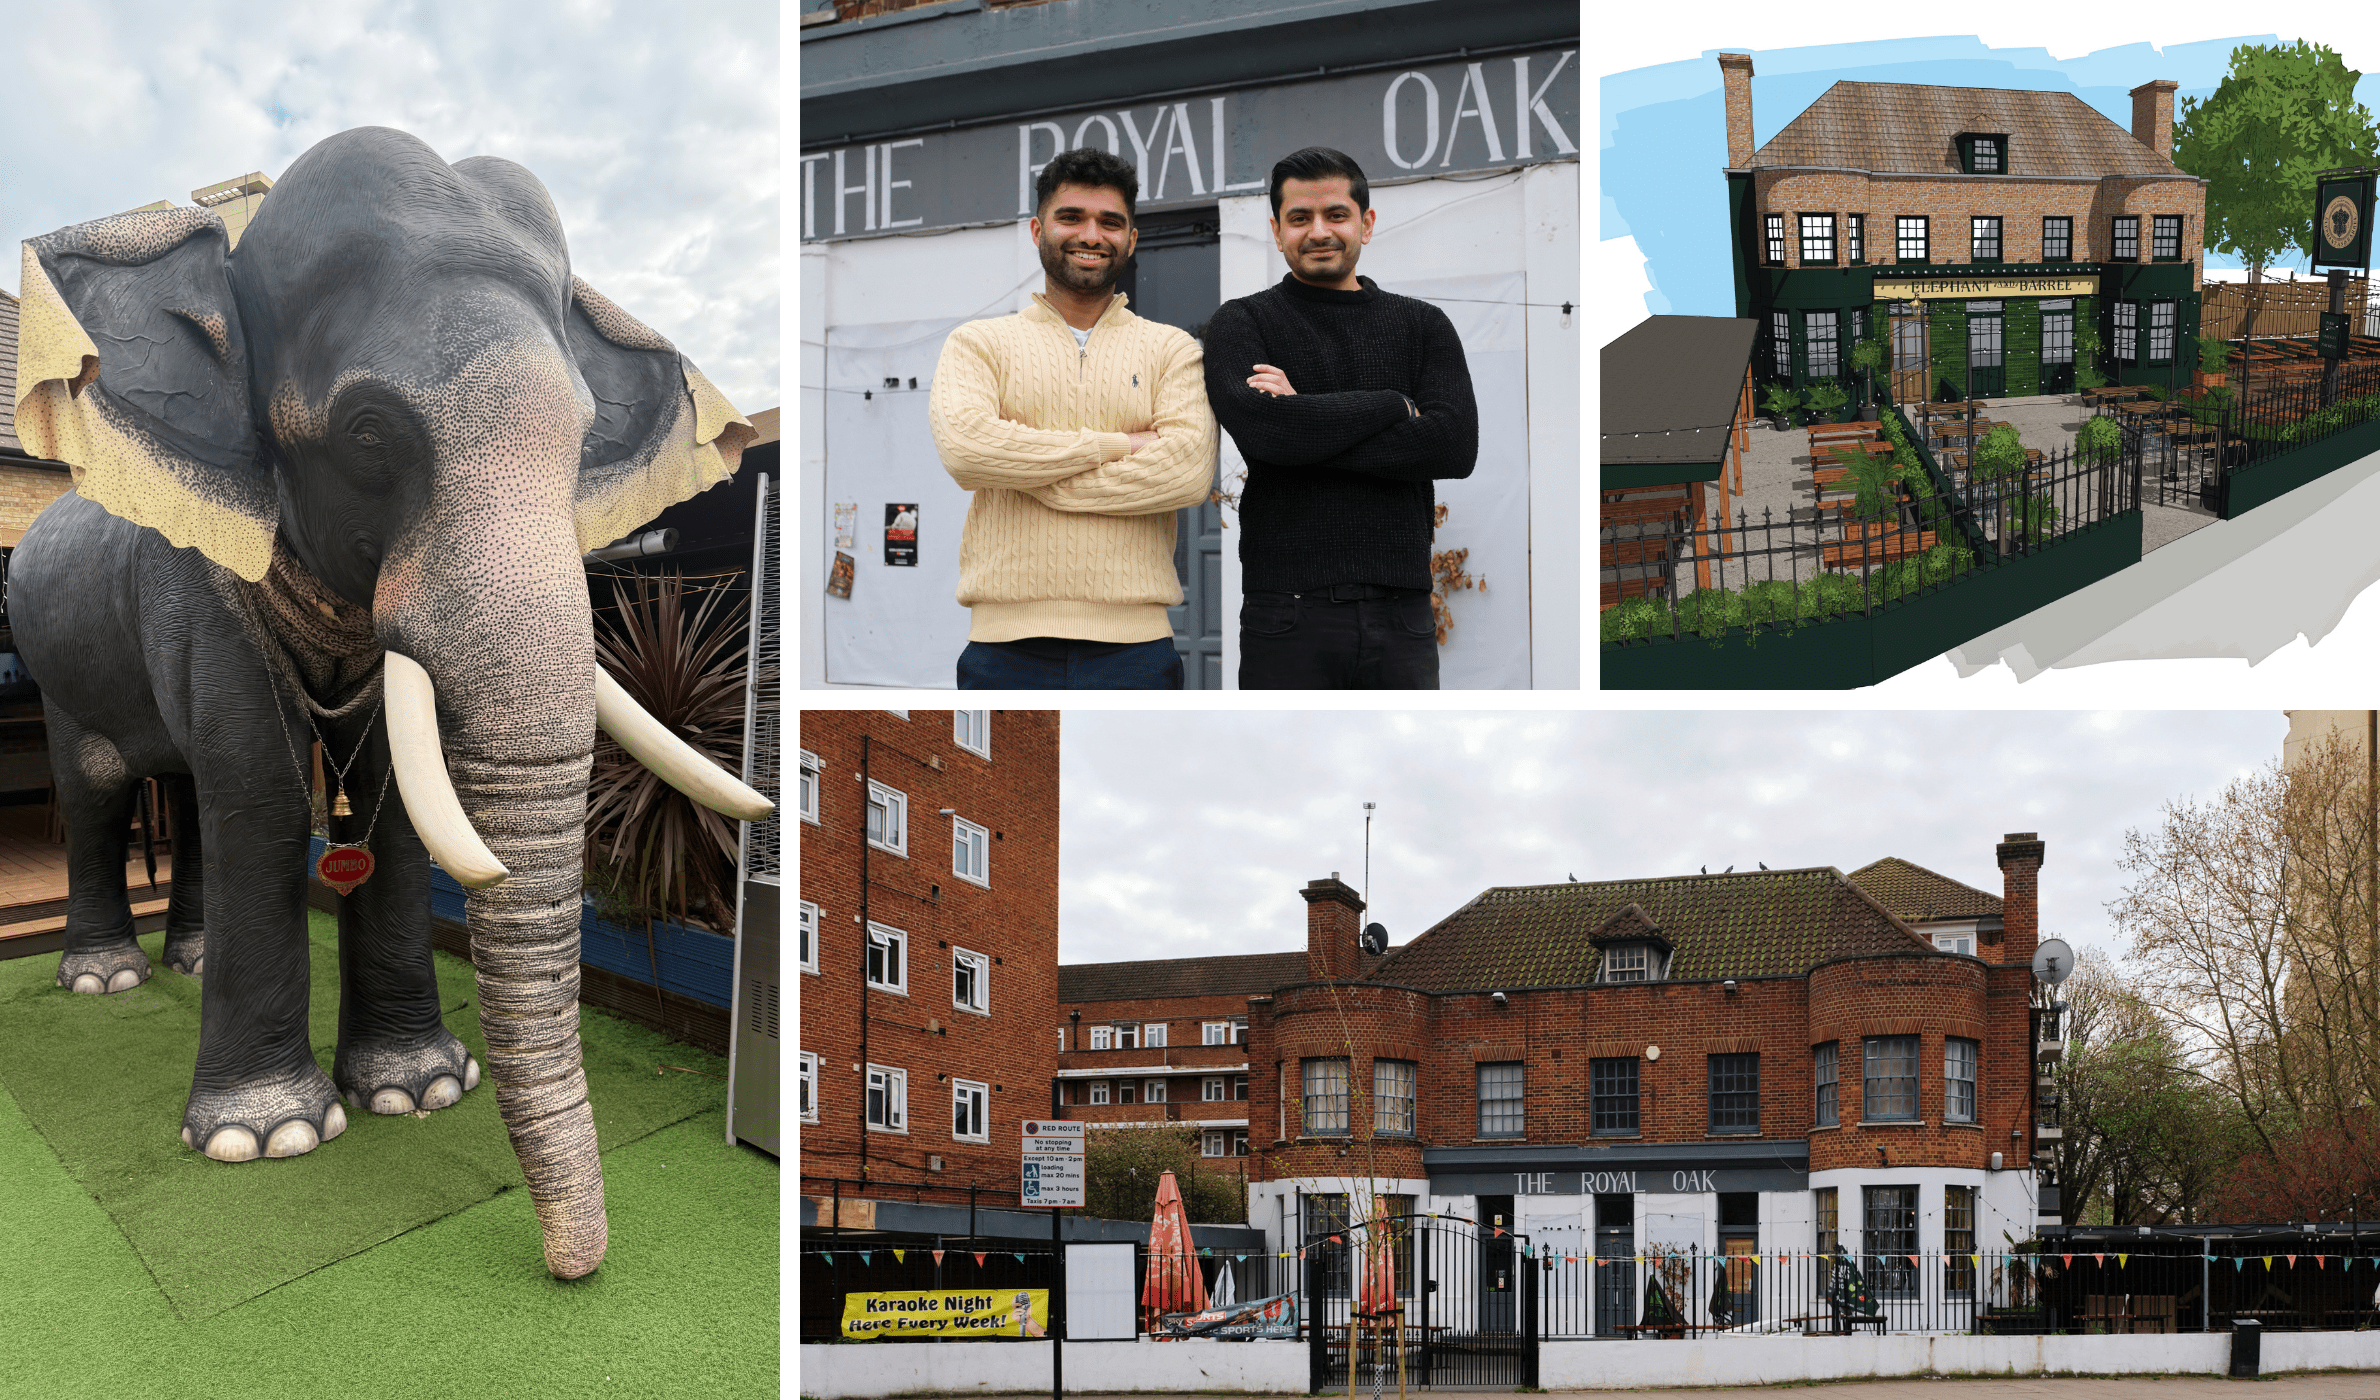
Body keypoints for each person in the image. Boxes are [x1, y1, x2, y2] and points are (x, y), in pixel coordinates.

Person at [928, 147, 1217, 689]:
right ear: (1038, 230)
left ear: (1131, 239)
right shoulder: (978, 343)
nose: (1091, 235)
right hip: (1002, 650)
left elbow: (1186, 473)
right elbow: (968, 451)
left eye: (1110, 222)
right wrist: (1114, 445)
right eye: (1071, 218)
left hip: (1137, 652)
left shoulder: (1172, 349)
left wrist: (1031, 476)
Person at [1203, 146, 1478, 689]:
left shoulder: (1423, 326)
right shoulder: (1242, 322)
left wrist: (1304, 415)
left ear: (1366, 223)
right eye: (1299, 218)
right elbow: (1267, 434)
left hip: (1402, 613)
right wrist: (1393, 404)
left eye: (1336, 215)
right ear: (1277, 229)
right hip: (1286, 613)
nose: (1318, 231)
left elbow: (1453, 446)